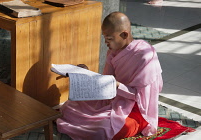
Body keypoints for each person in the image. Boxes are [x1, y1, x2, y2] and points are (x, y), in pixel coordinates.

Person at [56, 12, 163, 140]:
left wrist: (118, 86)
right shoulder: (113, 52)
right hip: (114, 98)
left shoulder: (145, 56)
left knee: (102, 130)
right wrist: (85, 73)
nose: (106, 42)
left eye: (109, 39)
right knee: (69, 107)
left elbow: (143, 97)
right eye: (104, 38)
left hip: (137, 108)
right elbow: (105, 80)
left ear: (124, 34)